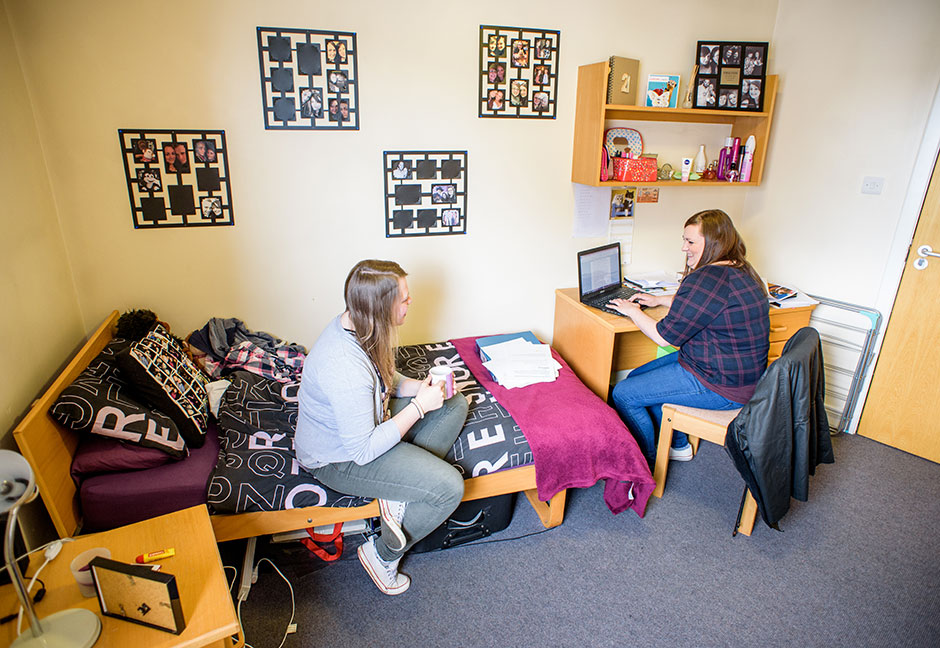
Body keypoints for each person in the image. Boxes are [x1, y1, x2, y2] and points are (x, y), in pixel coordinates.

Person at [295, 260, 468, 595]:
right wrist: (419, 408)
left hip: (370, 425)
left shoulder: (360, 326)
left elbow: (384, 378)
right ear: (381, 306)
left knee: (453, 404)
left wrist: (420, 388)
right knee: (449, 488)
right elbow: (363, 450)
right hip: (338, 458)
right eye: (404, 299)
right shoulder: (343, 366)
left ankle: (399, 489)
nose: (410, 302)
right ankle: (382, 555)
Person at [606, 209, 769, 468]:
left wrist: (632, 311)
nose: (684, 248)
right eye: (684, 240)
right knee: (636, 377)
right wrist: (661, 300)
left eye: (691, 242)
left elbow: (663, 337)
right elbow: (709, 303)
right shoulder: (739, 270)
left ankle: (648, 460)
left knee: (625, 394)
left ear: (715, 243)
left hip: (722, 386)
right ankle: (678, 444)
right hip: (734, 374)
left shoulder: (706, 279)